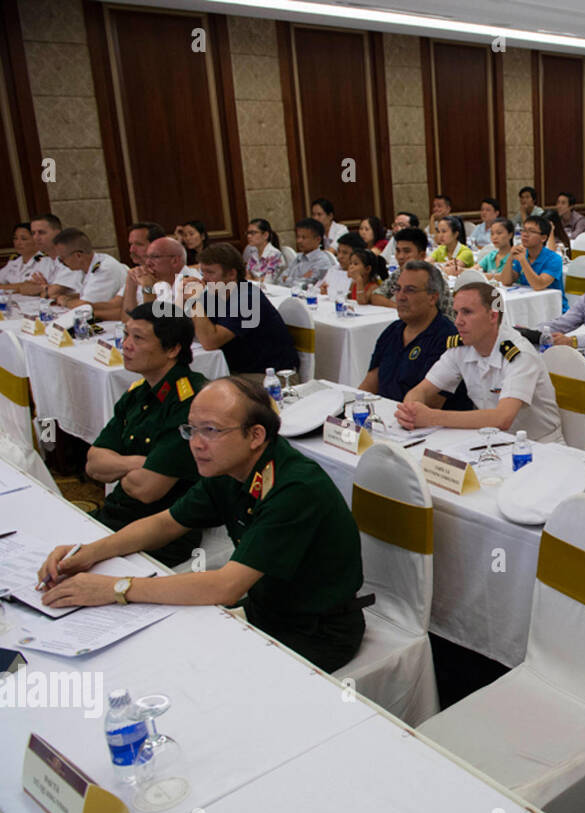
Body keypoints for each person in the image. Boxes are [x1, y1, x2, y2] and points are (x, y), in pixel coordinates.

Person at [39, 376, 367, 672]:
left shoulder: (294, 488)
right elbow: (166, 524)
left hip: (316, 631)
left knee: (197, 677)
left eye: (210, 430)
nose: (196, 443)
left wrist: (116, 588)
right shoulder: (228, 467)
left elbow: (226, 586)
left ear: (255, 435)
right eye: (191, 429)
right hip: (266, 610)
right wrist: (90, 552)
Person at [87, 303, 208, 566]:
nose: (126, 345)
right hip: (116, 515)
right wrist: (140, 463)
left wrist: (120, 466)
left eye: (138, 338)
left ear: (173, 349)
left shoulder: (191, 402)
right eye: (126, 334)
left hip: (161, 535)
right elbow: (94, 464)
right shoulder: (138, 393)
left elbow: (146, 490)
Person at [396, 281, 563, 442]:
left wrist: (431, 417)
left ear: (492, 315)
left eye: (467, 312)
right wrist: (411, 411)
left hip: (539, 447)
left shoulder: (519, 354)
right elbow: (421, 391)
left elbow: (502, 418)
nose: (458, 321)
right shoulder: (461, 347)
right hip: (491, 441)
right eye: (456, 313)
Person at [360, 261, 469, 406]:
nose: (400, 297)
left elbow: (429, 405)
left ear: (432, 297)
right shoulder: (392, 331)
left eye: (410, 290)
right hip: (385, 417)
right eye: (398, 289)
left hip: (425, 423)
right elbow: (369, 386)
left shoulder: (448, 338)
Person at [184, 244, 298, 379]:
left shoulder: (247, 299)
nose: (203, 279)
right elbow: (186, 329)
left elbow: (210, 342)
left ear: (232, 274)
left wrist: (193, 302)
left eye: (210, 272)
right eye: (203, 273)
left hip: (270, 376)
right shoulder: (213, 294)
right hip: (238, 371)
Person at [48, 228, 127, 320]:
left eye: (62, 259)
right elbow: (84, 295)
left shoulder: (103, 269)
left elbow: (85, 306)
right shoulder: (86, 266)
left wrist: (65, 301)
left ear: (78, 256)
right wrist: (66, 297)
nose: (61, 263)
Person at [504, 214, 566, 310]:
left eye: (531, 231)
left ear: (543, 238)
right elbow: (507, 281)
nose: (525, 234)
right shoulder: (523, 253)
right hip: (528, 304)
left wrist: (523, 260)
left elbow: (538, 285)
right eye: (523, 230)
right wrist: (510, 258)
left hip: (552, 308)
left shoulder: (554, 259)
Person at [122, 237, 199, 312]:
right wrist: (131, 285)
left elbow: (152, 323)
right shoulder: (158, 281)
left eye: (154, 257)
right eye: (147, 257)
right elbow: (128, 319)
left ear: (175, 261)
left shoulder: (191, 282)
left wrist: (148, 288)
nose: (148, 263)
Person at [371, 226, 429, 307]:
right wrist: (399, 307)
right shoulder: (399, 273)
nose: (400, 256)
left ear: (422, 255)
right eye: (398, 251)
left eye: (407, 251)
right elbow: (376, 296)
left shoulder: (432, 277)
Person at [282, 218, 333, 286]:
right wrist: (300, 278)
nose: (299, 241)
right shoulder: (299, 257)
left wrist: (288, 279)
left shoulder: (322, 261)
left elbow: (305, 285)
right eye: (298, 237)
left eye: (304, 237)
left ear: (318, 239)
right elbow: (280, 279)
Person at [0, 222, 48, 289]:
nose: (18, 243)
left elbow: (31, 288)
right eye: (15, 238)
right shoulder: (14, 262)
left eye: (24, 239)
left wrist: (5, 287)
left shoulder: (45, 261)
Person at [243, 219, 285, 284]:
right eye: (248, 233)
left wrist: (253, 279)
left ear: (265, 235)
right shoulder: (254, 253)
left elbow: (267, 282)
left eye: (253, 233)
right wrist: (256, 279)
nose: (249, 236)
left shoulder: (275, 255)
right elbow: (247, 277)